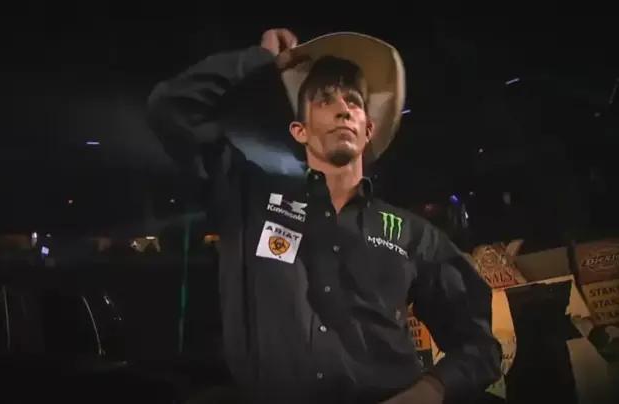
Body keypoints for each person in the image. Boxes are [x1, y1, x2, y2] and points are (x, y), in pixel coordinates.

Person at [147, 28, 501, 404]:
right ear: (299, 131)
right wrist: (263, 60)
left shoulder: (413, 235)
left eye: (354, 102)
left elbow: (479, 346)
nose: (342, 108)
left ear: (368, 129)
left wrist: (430, 390)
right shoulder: (247, 199)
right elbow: (170, 107)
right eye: (324, 100)